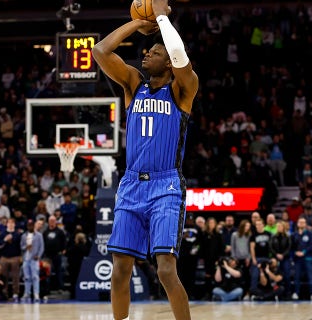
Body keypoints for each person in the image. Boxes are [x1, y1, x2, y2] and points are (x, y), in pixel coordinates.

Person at [93, 0, 199, 318]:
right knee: (119, 271)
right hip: (130, 183)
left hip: (166, 184)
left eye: (154, 53)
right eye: (146, 52)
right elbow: (100, 51)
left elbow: (181, 57)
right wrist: (138, 24)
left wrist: (163, 20)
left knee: (166, 271)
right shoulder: (133, 85)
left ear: (168, 64)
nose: (145, 55)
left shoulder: (183, 90)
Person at [291, 217, 312, 301]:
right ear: (297, 224)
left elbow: (311, 245)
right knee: (297, 276)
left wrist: (304, 252)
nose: (301, 224)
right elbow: (291, 246)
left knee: (310, 276)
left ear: (305, 224)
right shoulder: (294, 235)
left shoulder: (309, 234)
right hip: (297, 259)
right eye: (300, 222)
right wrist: (295, 252)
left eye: (303, 222)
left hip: (307, 258)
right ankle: (296, 293)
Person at [0, 218, 22, 300]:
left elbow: (20, 246)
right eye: (9, 223)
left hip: (15, 257)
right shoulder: (2, 234)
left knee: (15, 276)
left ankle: (15, 293)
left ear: (14, 224)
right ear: (6, 224)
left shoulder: (18, 234)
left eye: (12, 223)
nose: (10, 224)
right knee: (3, 276)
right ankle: (4, 292)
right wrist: (5, 240)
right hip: (4, 257)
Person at [21, 220, 44, 303]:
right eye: (29, 225)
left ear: (34, 226)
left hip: (34, 259)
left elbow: (41, 247)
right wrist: (26, 247)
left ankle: (36, 293)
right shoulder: (24, 236)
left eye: (31, 225)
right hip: (26, 258)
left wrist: (38, 255)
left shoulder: (39, 235)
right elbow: (21, 247)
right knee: (26, 277)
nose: (30, 227)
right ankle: (27, 293)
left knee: (35, 277)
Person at [43, 215, 67, 292]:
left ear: (56, 222)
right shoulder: (45, 232)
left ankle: (60, 287)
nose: (52, 222)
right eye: (50, 221)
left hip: (57, 254)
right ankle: (47, 289)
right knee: (47, 272)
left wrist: (63, 249)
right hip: (47, 255)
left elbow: (64, 241)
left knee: (58, 271)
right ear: (48, 222)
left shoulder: (60, 231)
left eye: (53, 221)